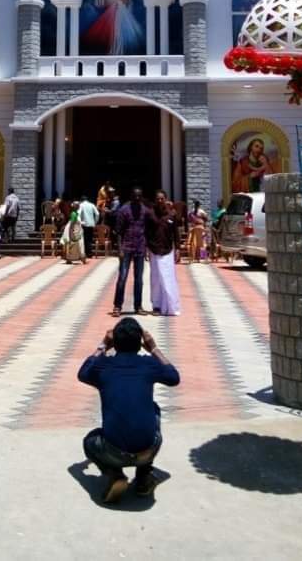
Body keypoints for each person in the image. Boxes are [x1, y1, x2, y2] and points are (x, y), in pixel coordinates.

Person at [78, 317, 180, 502]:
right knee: (154, 410)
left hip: (112, 451)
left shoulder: (103, 366)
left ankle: (114, 475)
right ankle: (144, 478)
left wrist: (103, 345)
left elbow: (83, 373)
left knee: (89, 441)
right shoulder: (149, 364)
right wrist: (154, 348)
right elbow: (173, 377)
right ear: (140, 343)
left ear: (114, 343)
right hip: (148, 449)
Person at [112, 187, 151, 316]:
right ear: (131, 196)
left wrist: (147, 248)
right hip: (126, 247)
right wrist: (119, 249)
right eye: (135, 196)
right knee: (122, 277)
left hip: (140, 247)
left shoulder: (145, 210)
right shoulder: (123, 210)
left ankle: (138, 306)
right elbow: (118, 232)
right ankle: (117, 306)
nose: (137, 198)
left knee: (139, 279)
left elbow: (148, 229)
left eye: (139, 196)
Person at [146, 191, 181, 316]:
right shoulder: (150, 214)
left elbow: (176, 233)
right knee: (156, 280)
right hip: (154, 250)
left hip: (167, 251)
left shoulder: (171, 215)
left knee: (168, 279)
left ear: (165, 199)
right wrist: (147, 247)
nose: (160, 201)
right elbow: (146, 232)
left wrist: (178, 249)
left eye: (162, 198)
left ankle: (170, 306)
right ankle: (156, 306)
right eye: (158, 199)